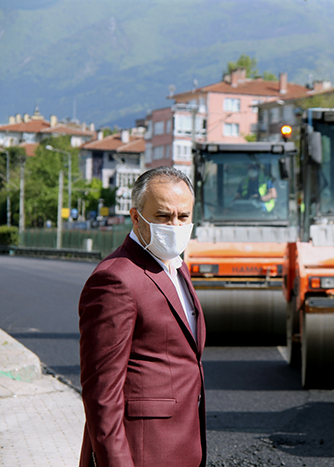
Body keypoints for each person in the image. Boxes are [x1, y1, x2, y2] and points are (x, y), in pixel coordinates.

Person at [78, 166, 206, 467]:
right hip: (144, 452)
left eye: (183, 216)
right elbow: (102, 395)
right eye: (163, 216)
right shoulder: (115, 280)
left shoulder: (176, 266)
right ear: (136, 217)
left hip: (183, 446)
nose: (175, 225)